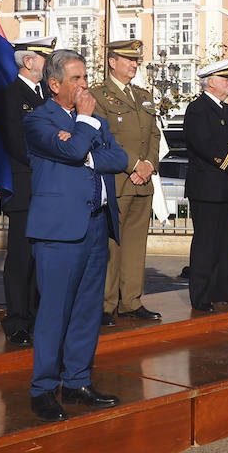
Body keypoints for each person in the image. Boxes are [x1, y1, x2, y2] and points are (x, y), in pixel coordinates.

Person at [23, 49, 129, 422]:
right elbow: (68, 149)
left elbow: (119, 159)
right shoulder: (38, 119)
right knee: (55, 311)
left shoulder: (94, 120)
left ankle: (77, 380)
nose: (85, 86)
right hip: (59, 231)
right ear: (54, 85)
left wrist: (84, 145)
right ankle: (43, 388)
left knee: (87, 310)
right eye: (77, 79)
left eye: (85, 77)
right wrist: (83, 129)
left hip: (97, 224)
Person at [88, 39, 162, 326]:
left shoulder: (143, 95)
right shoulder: (98, 95)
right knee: (111, 246)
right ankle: (106, 306)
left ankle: (131, 301)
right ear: (112, 61)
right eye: (128, 59)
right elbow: (104, 139)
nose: (134, 65)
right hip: (117, 181)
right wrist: (134, 164)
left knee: (135, 245)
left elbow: (154, 135)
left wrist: (149, 165)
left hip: (142, 182)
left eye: (136, 61)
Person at [0, 36, 55, 347]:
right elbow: (18, 145)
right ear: (28, 62)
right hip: (24, 187)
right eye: (45, 58)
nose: (49, 63)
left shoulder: (46, 97)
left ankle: (37, 314)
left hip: (47, 189)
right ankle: (17, 320)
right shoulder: (9, 96)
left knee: (41, 257)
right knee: (20, 259)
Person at [183, 60, 228, 311]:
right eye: (226, 79)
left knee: (226, 242)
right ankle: (201, 296)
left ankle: (224, 289)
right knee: (207, 242)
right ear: (210, 82)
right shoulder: (198, 109)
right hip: (208, 187)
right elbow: (204, 145)